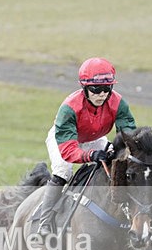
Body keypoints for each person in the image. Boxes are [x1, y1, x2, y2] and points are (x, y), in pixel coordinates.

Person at [36, 57, 136, 236]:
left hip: (95, 137)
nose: (102, 94)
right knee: (63, 172)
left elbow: (128, 134)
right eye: (96, 89)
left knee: (116, 163)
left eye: (107, 89)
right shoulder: (69, 108)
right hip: (64, 139)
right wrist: (90, 155)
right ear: (85, 88)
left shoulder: (118, 103)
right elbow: (68, 150)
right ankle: (44, 221)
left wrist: (121, 149)